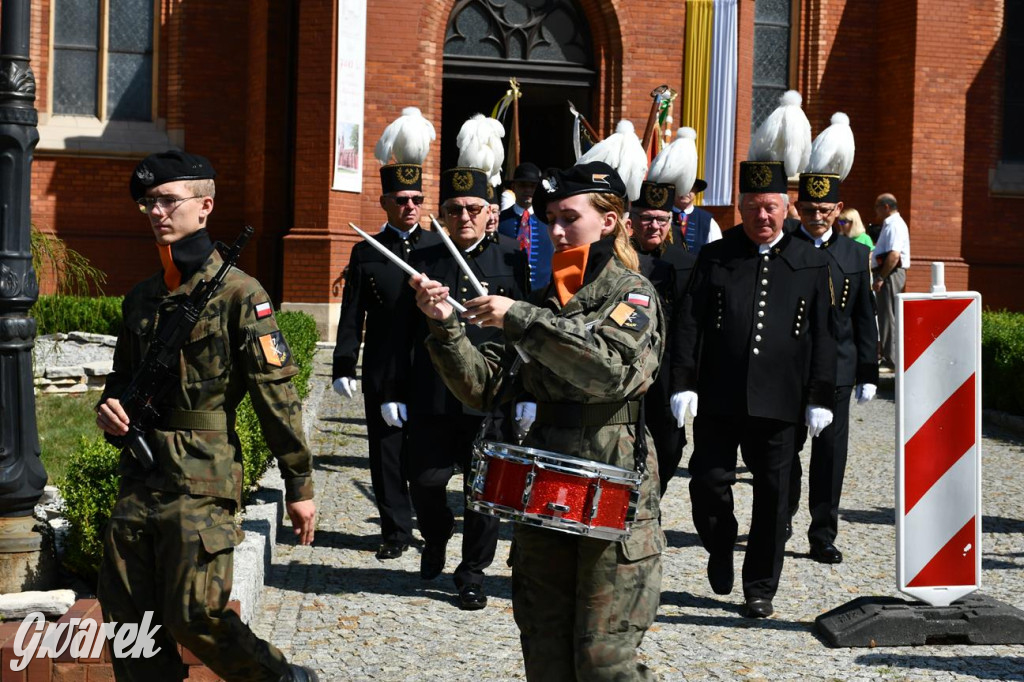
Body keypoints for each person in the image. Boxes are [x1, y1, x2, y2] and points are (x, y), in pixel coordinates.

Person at [411, 161, 664, 680]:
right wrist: (447, 332)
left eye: (569, 218)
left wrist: (520, 319)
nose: (555, 230)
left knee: (604, 659)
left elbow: (608, 371)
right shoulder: (548, 299)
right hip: (547, 482)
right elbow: (485, 389)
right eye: (550, 218)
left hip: (612, 477)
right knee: (544, 647)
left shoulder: (632, 294)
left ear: (609, 222)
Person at [95, 150, 318, 682]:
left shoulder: (242, 296)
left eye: (169, 200)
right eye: (149, 203)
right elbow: (121, 380)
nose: (156, 212)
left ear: (205, 206)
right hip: (140, 475)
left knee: (196, 615)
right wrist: (109, 410)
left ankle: (281, 678)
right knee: (129, 625)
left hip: (202, 476)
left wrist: (300, 483)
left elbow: (276, 395)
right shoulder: (143, 298)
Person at [678, 157, 837, 619]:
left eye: (770, 207)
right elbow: (692, 323)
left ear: (786, 208)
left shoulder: (811, 261)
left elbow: (824, 334)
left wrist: (820, 395)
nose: (761, 217)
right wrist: (684, 382)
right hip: (719, 395)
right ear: (740, 209)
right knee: (708, 482)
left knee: (774, 494)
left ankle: (761, 586)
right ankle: (720, 543)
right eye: (752, 207)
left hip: (782, 400)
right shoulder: (716, 255)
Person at [399, 166, 527, 610]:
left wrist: (527, 395)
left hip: (491, 396)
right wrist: (395, 389)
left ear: (490, 212)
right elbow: (401, 332)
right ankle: (436, 535)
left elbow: (526, 330)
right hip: (433, 391)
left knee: (484, 492)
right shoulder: (423, 255)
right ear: (444, 214)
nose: (464, 217)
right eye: (454, 210)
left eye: (474, 208)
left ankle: (472, 573)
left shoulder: (513, 257)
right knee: (426, 481)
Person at [332, 109, 440, 561]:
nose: (409, 207)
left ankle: (430, 524)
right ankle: (395, 530)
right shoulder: (366, 252)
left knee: (427, 456)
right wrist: (344, 364)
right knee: (386, 452)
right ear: (385, 203)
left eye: (416, 199)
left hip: (430, 368)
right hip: (382, 362)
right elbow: (352, 312)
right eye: (400, 199)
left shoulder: (440, 249)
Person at [788, 166, 878, 565]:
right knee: (784, 455)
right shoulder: (784, 246)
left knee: (830, 458)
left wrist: (868, 371)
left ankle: (822, 534)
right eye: (808, 209)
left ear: (838, 209)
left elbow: (864, 316)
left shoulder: (856, 253)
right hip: (790, 371)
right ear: (798, 209)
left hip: (838, 371)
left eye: (824, 209)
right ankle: (779, 519)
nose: (817, 217)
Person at [629, 179, 696, 495]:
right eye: (646, 218)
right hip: (625, 363)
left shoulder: (684, 263)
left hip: (667, 368)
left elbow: (689, 324)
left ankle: (653, 497)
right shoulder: (618, 257)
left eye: (661, 219)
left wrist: (686, 381)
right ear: (632, 218)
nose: (653, 226)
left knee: (669, 444)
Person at [498, 161, 555, 290]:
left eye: (533, 186)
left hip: (542, 292)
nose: (528, 190)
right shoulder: (500, 220)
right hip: (507, 291)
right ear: (514, 187)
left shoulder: (548, 219)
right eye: (523, 185)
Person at [872, 193, 910, 370]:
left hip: (890, 273)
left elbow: (894, 255)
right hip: (889, 273)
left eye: (877, 206)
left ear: (886, 207)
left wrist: (881, 277)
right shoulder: (891, 224)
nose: (876, 211)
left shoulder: (894, 225)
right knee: (886, 314)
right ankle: (890, 357)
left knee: (888, 315)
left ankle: (891, 359)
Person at [671, 178, 722, 255]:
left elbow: (716, 252)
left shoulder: (707, 221)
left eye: (690, 188)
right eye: (681, 188)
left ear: (696, 192)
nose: (685, 192)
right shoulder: (661, 215)